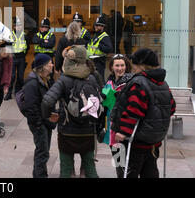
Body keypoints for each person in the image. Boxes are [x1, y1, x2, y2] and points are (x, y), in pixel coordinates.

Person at [110, 48, 176, 178]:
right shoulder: (163, 84)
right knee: (150, 172)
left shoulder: (139, 83)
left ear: (140, 65)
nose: (133, 67)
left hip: (135, 141)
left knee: (127, 172)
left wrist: (123, 132)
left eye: (134, 64)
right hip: (154, 141)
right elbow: (172, 108)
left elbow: (134, 110)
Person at [42, 45, 103, 178]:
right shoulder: (91, 78)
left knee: (66, 170)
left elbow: (47, 101)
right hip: (87, 131)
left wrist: (49, 115)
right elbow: (100, 100)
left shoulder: (64, 80)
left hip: (67, 132)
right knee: (90, 169)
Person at [23, 54, 58, 178]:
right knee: (42, 152)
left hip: (45, 121)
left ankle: (39, 174)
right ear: (43, 67)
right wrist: (38, 124)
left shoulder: (45, 79)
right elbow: (31, 108)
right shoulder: (32, 83)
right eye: (50, 63)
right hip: (39, 123)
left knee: (43, 151)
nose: (52, 65)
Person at [102, 54, 133, 178]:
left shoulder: (131, 81)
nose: (120, 68)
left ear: (126, 66)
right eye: (117, 65)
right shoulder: (109, 82)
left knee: (128, 160)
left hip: (126, 125)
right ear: (112, 67)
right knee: (118, 159)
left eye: (122, 65)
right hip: (112, 126)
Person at [5, 17, 29, 100]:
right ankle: (9, 93)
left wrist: (23, 54)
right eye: (16, 26)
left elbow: (27, 47)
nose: (18, 27)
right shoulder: (10, 35)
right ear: (14, 27)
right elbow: (7, 46)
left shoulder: (25, 35)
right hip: (13, 58)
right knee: (11, 77)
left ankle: (18, 93)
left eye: (19, 26)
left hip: (21, 58)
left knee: (20, 77)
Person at [87, 14, 113, 80]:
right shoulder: (96, 35)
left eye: (98, 25)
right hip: (93, 61)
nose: (95, 27)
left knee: (99, 80)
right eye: (95, 25)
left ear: (103, 27)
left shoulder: (104, 36)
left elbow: (109, 48)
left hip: (100, 62)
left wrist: (100, 47)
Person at [32, 17, 56, 83]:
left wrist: (40, 43)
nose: (43, 28)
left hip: (48, 57)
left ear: (48, 28)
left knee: (50, 74)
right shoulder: (36, 35)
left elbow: (51, 44)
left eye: (45, 27)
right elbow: (34, 41)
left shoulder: (51, 35)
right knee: (37, 74)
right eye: (41, 27)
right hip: (38, 57)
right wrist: (44, 41)